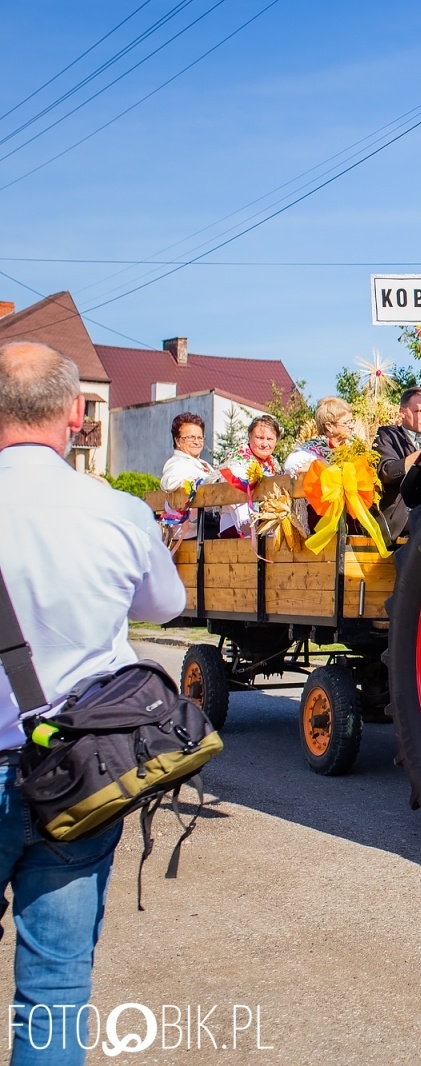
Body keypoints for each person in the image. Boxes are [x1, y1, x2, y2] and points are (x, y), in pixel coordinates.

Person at [0, 341, 186, 1064]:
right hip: (78, 773)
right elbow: (166, 608)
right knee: (55, 990)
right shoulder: (115, 512)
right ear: (77, 414)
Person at [374, 387, 421, 540]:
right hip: (402, 520)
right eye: (418, 411)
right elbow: (388, 472)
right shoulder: (387, 435)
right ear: (403, 412)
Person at [218, 414, 282, 538]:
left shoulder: (274, 463)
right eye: (259, 437)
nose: (264, 443)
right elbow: (233, 484)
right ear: (249, 436)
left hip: (265, 524)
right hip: (236, 525)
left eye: (270, 439)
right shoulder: (238, 456)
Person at [283, 396, 357, 478]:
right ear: (329, 426)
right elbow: (289, 466)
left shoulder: (353, 447)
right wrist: (322, 470)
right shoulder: (311, 450)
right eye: (346, 423)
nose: (352, 426)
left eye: (352, 421)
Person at [159, 412, 215, 490]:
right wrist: (194, 482)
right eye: (190, 437)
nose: (196, 442)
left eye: (199, 438)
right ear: (178, 441)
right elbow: (168, 482)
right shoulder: (177, 463)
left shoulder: (203, 464)